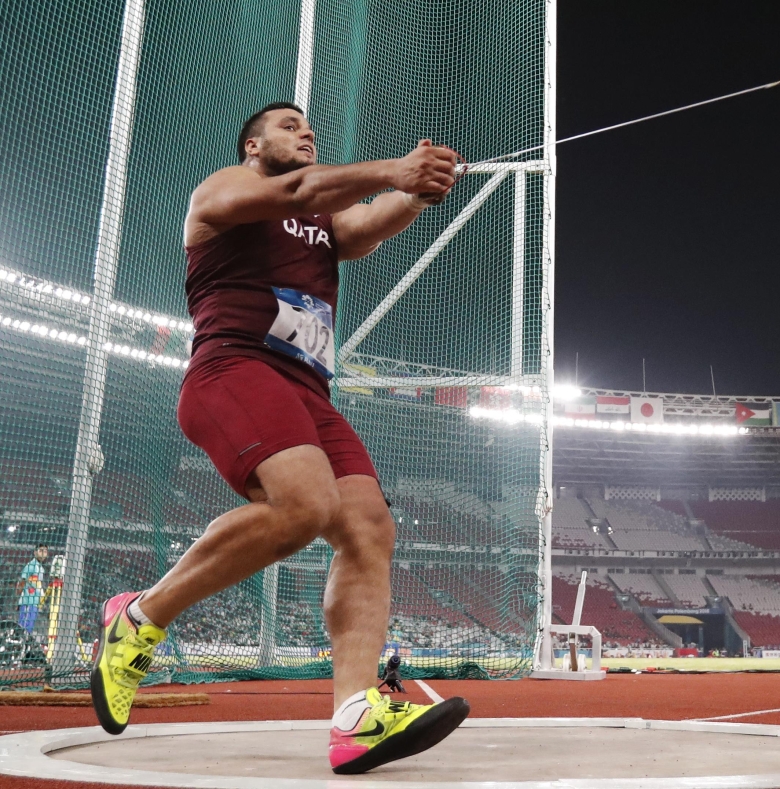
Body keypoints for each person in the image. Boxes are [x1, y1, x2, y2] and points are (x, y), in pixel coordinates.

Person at [89, 102, 469, 774]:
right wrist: (395, 168)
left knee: (369, 527)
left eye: (309, 128)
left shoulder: (319, 221)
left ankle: (355, 717)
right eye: (290, 126)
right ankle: (140, 615)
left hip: (306, 392)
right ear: (252, 144)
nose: (305, 132)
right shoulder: (223, 190)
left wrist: (413, 192)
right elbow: (302, 188)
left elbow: (362, 225)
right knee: (305, 507)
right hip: (234, 367)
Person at [15, 544, 48, 636]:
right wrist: (19, 598)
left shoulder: (41, 568)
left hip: (35, 603)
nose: (43, 554)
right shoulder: (31, 565)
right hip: (28, 601)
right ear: (35, 552)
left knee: (28, 629)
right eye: (41, 551)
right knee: (23, 628)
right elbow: (22, 581)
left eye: (45, 551)